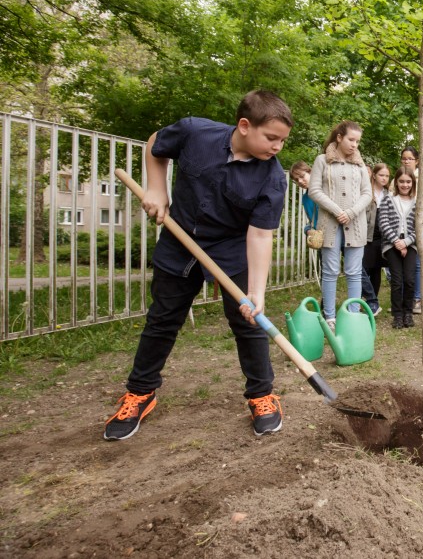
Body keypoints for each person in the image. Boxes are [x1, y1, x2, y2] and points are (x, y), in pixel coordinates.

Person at [104, 90, 293, 441]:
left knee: (248, 322)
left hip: (231, 249)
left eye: (283, 140)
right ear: (244, 125)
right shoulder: (196, 133)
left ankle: (262, 395)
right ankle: (141, 393)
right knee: (162, 320)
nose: (277, 147)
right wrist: (157, 189)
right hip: (179, 242)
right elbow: (156, 143)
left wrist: (256, 291)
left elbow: (260, 236)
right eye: (271, 138)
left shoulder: (272, 177)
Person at [308, 121, 373, 329]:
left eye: (357, 141)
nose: (355, 145)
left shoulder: (360, 165)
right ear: (339, 137)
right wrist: (338, 211)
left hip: (356, 224)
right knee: (330, 271)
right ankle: (330, 317)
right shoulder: (321, 161)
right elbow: (314, 190)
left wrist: (351, 213)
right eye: (351, 139)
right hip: (329, 224)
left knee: (354, 271)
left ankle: (352, 315)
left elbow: (367, 193)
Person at [378, 166, 418, 328]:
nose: (405, 185)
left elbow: (419, 227)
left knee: (409, 279)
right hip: (391, 244)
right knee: (397, 281)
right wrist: (396, 242)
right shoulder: (388, 199)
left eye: (408, 182)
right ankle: (397, 314)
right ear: (396, 182)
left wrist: (407, 242)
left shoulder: (417, 202)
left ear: (413, 183)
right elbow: (383, 222)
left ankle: (408, 312)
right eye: (401, 181)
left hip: (410, 245)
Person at [361, 163, 392, 315]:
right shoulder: (366, 192)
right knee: (362, 268)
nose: (384, 178)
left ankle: (372, 304)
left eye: (387, 176)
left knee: (376, 269)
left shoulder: (389, 194)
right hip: (366, 235)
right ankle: (365, 299)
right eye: (381, 175)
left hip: (382, 237)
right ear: (374, 175)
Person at [399, 145, 423, 313]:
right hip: (401, 228)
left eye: (410, 158)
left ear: (417, 161)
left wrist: (419, 218)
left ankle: (417, 298)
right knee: (402, 265)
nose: (407, 161)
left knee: (416, 264)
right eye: (404, 158)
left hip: (419, 225)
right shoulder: (399, 176)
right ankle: (403, 297)